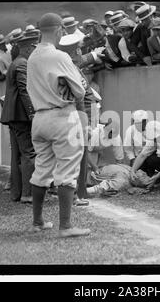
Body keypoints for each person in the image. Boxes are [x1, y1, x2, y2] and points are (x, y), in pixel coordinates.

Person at [27, 12, 90, 237]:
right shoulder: (60, 56)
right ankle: (66, 226)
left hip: (39, 117)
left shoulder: (32, 56)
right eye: (62, 29)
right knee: (67, 171)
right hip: (62, 115)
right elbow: (81, 90)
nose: (63, 32)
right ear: (58, 30)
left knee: (42, 169)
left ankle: (38, 222)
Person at [58, 33, 103, 206]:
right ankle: (76, 193)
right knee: (76, 158)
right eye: (77, 49)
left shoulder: (72, 65)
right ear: (72, 52)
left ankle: (81, 191)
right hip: (77, 117)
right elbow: (81, 98)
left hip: (83, 115)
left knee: (82, 157)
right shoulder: (69, 67)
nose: (79, 52)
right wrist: (88, 124)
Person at [0, 33, 38, 203]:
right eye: (33, 48)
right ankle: (28, 194)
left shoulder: (16, 63)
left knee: (17, 155)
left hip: (13, 116)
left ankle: (17, 193)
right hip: (21, 116)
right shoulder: (23, 63)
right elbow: (24, 90)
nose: (34, 51)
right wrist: (32, 113)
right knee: (29, 153)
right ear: (29, 48)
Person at [86, 163, 151, 197]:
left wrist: (84, 190)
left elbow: (102, 187)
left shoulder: (122, 181)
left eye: (143, 176)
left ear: (136, 182)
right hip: (94, 167)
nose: (143, 172)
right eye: (145, 174)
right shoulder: (132, 170)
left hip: (87, 176)